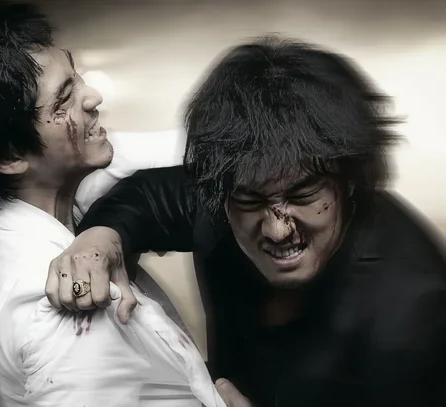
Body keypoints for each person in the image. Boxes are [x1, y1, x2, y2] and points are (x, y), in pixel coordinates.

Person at [48, 37, 446, 407]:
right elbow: (143, 197)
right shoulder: (226, 192)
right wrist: (99, 242)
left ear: (350, 181)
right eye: (251, 200)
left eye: (303, 195)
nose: (277, 229)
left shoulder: (412, 312)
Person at [0, 1, 226, 406]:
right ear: (11, 155)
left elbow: (149, 153)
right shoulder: (67, 307)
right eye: (64, 98)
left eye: (76, 75)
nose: (94, 96)